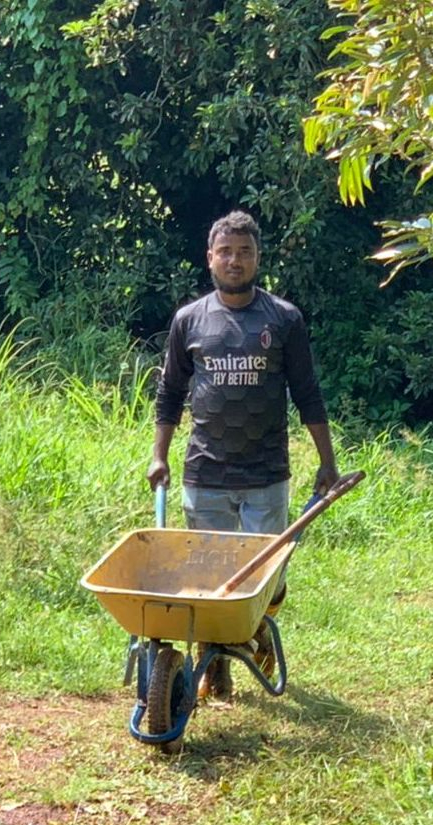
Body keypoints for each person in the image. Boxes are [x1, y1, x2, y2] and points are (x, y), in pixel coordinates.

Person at [147, 209, 339, 701]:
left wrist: (327, 460)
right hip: (205, 472)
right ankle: (215, 667)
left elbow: (307, 392)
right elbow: (169, 393)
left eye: (245, 252)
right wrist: (159, 455)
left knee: (267, 579)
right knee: (209, 579)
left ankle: (253, 634)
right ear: (210, 257)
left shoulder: (284, 318)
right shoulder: (189, 320)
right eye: (226, 251)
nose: (235, 260)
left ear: (257, 258)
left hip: (265, 474)